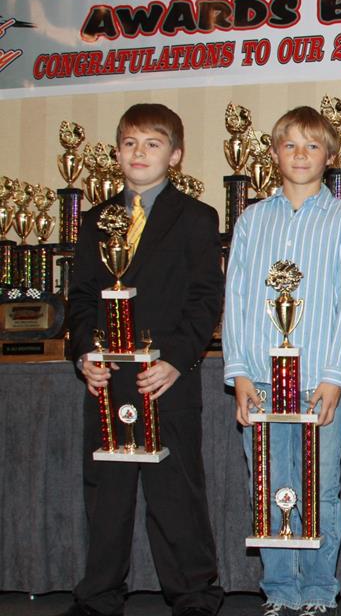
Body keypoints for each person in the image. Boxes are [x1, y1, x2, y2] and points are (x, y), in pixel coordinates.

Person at [65, 103, 225, 616]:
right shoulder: (95, 220)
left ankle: (195, 595)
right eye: (131, 143)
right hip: (108, 378)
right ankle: (99, 596)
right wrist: (85, 355)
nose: (140, 152)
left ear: (175, 156)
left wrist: (177, 359)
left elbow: (205, 297)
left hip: (166, 377)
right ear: (117, 153)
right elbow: (84, 296)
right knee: (106, 494)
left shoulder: (197, 218)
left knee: (176, 491)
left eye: (153, 144)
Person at [223, 106, 341, 616]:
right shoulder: (251, 221)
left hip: (318, 384)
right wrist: (238, 372)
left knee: (320, 489)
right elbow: (236, 300)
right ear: (274, 153)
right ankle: (280, 589)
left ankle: (319, 590)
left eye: (312, 146)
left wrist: (334, 378)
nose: (301, 155)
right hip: (261, 380)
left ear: (330, 156)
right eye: (290, 145)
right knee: (269, 485)